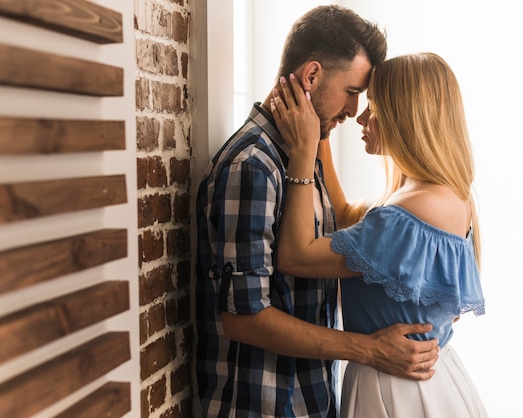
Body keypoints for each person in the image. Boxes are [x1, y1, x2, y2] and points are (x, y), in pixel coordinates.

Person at [194, 5, 439, 418]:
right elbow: (244, 318)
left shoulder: (298, 160)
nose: (354, 111)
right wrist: (371, 350)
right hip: (262, 407)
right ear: (311, 77)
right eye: (351, 92)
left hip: (307, 399)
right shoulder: (253, 165)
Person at [271, 52, 488, 417]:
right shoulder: (444, 194)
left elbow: (295, 255)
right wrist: (322, 130)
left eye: (374, 105)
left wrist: (303, 153)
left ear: (407, 116)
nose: (361, 116)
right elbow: (345, 220)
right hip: (434, 384)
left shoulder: (408, 215)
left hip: (395, 393)